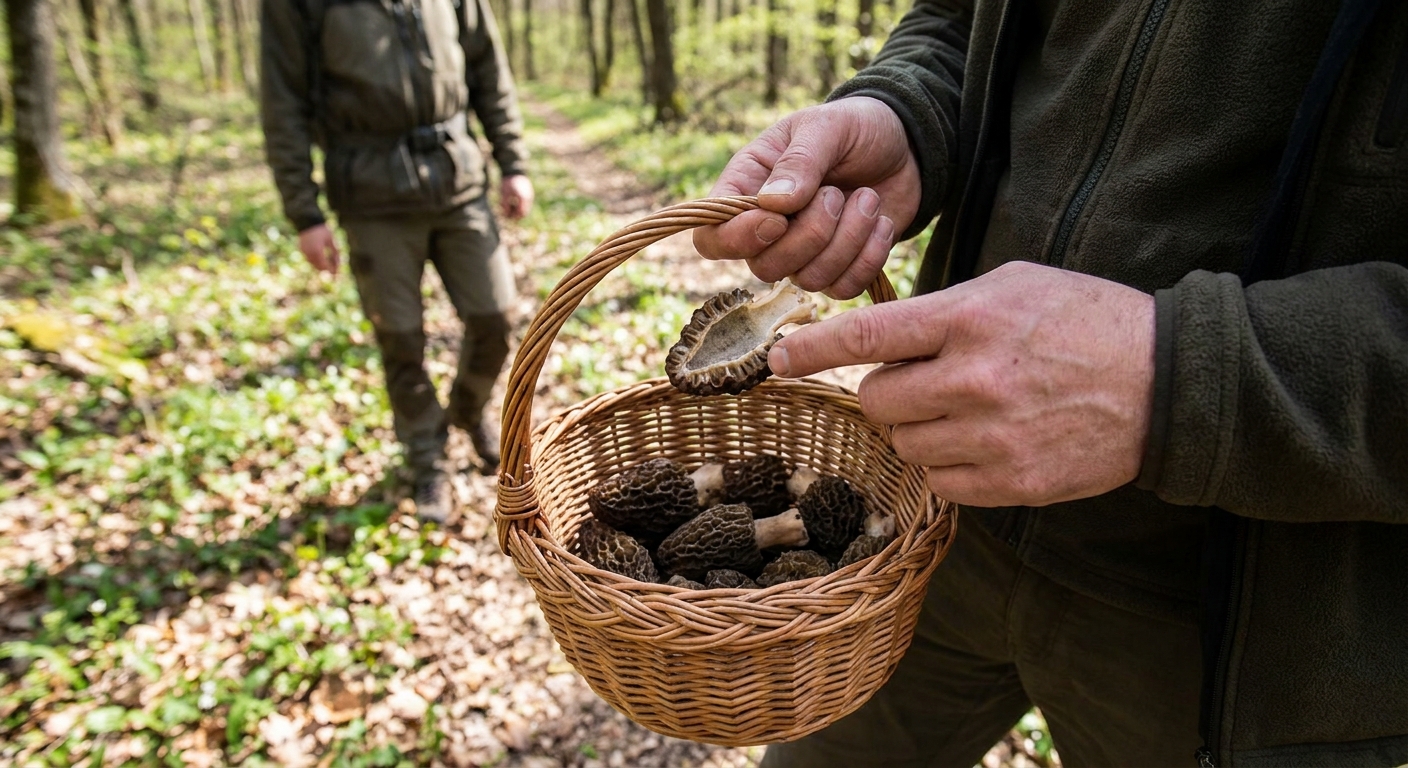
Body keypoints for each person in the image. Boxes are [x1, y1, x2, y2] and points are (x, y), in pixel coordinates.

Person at [694, 0, 1408, 765]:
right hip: (930, 524)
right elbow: (960, 20)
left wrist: (1182, 377)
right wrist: (905, 111)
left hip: (1244, 625)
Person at [260, 0, 534, 522]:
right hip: (370, 195)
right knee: (401, 339)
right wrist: (304, 213)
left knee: (495, 319)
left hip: (459, 180)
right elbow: (283, 103)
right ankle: (427, 458)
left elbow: (486, 68)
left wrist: (512, 162)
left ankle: (468, 411)